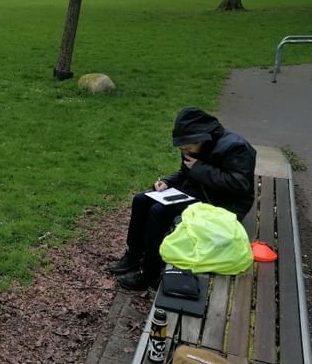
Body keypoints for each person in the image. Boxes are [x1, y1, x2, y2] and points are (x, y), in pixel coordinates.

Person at [110, 107, 257, 291]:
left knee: (159, 212)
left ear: (201, 139)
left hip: (223, 205)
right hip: (197, 193)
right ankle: (134, 254)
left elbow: (240, 185)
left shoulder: (236, 147)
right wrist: (167, 181)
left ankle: (149, 272)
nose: (184, 151)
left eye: (186, 147)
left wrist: (199, 168)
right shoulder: (194, 146)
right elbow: (185, 172)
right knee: (141, 199)